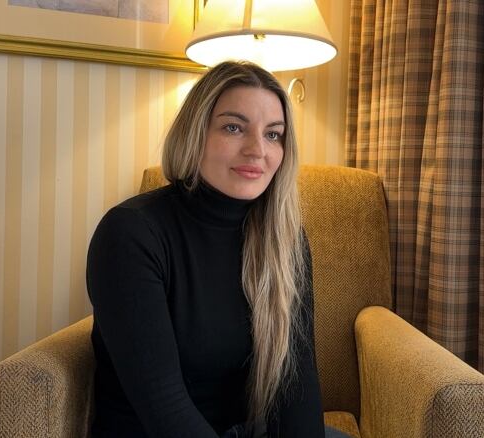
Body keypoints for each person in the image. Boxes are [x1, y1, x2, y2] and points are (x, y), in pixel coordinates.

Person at [87, 61, 346, 437]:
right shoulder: (130, 234)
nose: (257, 150)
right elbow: (165, 408)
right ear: (196, 133)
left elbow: (297, 383)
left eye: (274, 135)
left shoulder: (284, 238)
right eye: (234, 127)